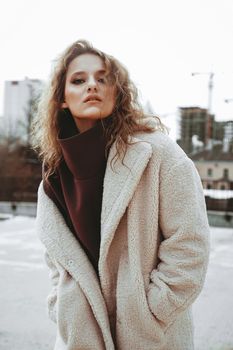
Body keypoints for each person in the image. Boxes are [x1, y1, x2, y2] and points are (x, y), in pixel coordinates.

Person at [33, 39, 210, 350]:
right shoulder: (53, 177)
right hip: (80, 341)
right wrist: (60, 307)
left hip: (152, 339)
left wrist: (151, 314)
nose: (92, 85)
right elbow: (57, 262)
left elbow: (190, 243)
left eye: (103, 78)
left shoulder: (158, 153)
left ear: (117, 91)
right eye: (79, 80)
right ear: (62, 98)